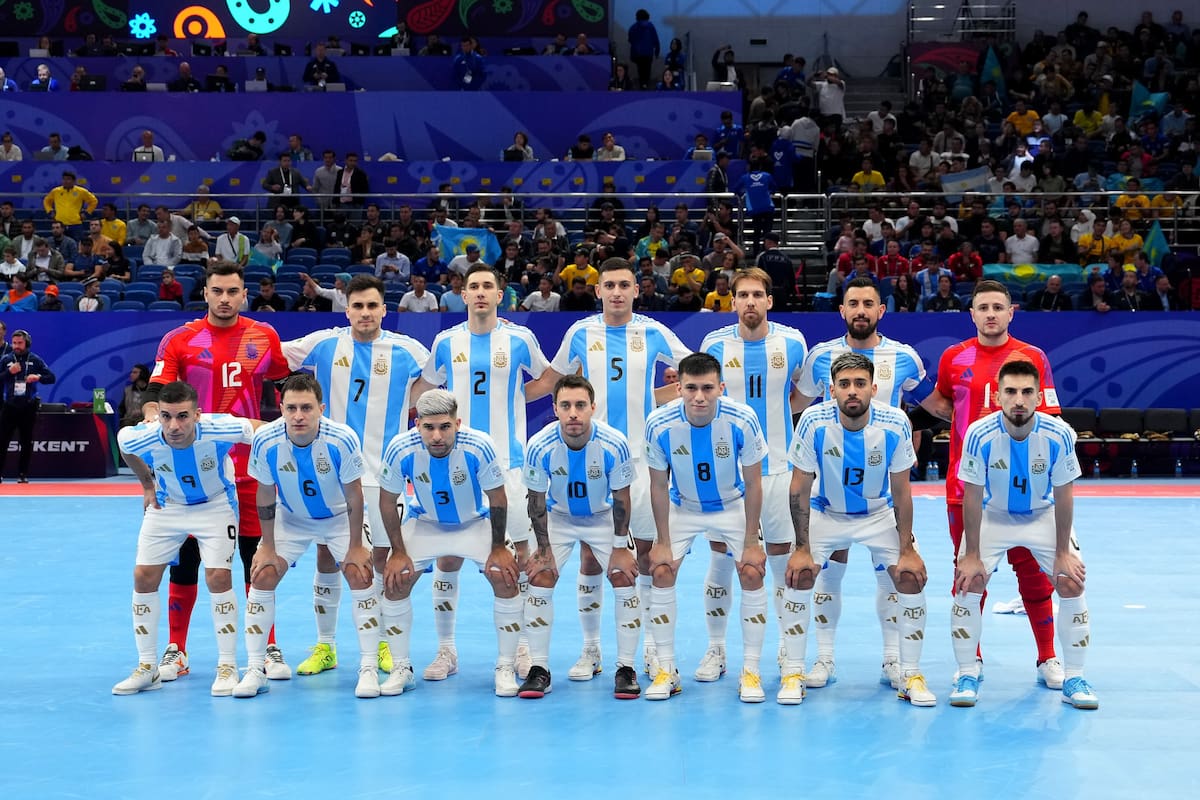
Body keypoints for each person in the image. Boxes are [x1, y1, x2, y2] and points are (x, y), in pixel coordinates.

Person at [140, 262, 292, 685]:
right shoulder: (180, 339)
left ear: (245, 295)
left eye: (233, 291)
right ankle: (177, 649)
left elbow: (286, 388)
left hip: (247, 469)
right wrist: (153, 425)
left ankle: (266, 646)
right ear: (205, 293)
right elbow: (155, 393)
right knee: (185, 559)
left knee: (255, 558)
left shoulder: (264, 336)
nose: (225, 299)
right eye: (217, 291)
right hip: (191, 472)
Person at [542, 258, 690, 678]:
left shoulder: (654, 331)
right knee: (591, 555)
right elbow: (553, 382)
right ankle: (591, 650)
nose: (617, 292)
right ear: (598, 290)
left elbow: (694, 371)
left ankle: (643, 648)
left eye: (625, 285)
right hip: (590, 459)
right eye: (610, 285)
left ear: (637, 290)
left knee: (642, 553)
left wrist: (662, 394)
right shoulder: (579, 333)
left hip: (642, 461)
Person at [281, 275, 434, 677]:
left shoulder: (409, 350)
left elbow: (436, 385)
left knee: (381, 559)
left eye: (372, 306)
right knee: (327, 556)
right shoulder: (324, 343)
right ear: (346, 308)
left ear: (385, 310)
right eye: (357, 306)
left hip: (385, 475)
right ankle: (326, 647)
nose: (365, 313)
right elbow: (269, 354)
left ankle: (383, 642)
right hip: (333, 473)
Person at [419, 264, 551, 682]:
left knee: (519, 556)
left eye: (487, 287)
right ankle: (446, 650)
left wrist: (514, 395)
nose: (479, 293)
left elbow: (547, 380)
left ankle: (523, 647)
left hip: (509, 464)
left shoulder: (520, 338)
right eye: (472, 286)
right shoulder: (445, 342)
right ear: (463, 294)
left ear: (500, 295)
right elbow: (427, 390)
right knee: (448, 554)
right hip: (455, 464)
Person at [929, 280, 1063, 689]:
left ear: (1011, 312)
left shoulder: (1032, 357)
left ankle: (1048, 658)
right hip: (966, 490)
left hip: (1025, 491)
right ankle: (971, 662)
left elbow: (1052, 418)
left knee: (1036, 579)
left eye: (997, 307)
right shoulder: (954, 357)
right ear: (971, 314)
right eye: (982, 307)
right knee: (970, 576)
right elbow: (939, 401)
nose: (990, 314)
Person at [783, 352, 935, 706]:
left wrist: (907, 548)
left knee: (910, 577)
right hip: (827, 512)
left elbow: (901, 491)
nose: (853, 391)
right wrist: (801, 546)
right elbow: (799, 488)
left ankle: (905, 670)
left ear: (873, 388)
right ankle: (800, 668)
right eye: (845, 385)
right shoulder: (812, 421)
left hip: (879, 513)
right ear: (832, 390)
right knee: (800, 573)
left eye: (860, 384)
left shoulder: (895, 422)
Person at [950, 361, 1097, 710]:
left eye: (1027, 392)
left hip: (1042, 514)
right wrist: (971, 554)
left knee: (1071, 581)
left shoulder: (1059, 434)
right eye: (1011, 392)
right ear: (997, 395)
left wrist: (1062, 552)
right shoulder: (978, 433)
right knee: (968, 582)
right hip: (994, 515)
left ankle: (1075, 676)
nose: (1019, 399)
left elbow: (1064, 495)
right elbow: (972, 496)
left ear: (1038, 396)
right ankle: (967, 672)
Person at [233, 375, 380, 699]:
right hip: (292, 518)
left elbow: (355, 497)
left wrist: (356, 546)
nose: (298, 415)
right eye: (291, 408)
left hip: (340, 517)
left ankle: (368, 667)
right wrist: (268, 546)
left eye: (306, 408)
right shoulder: (266, 440)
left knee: (359, 574)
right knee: (262, 575)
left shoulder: (341, 439)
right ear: (281, 409)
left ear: (321, 409)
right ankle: (255, 669)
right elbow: (265, 494)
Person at [698, 268, 808, 684]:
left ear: (769, 301)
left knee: (781, 562)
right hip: (727, 476)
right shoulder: (714, 344)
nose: (749, 302)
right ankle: (716, 650)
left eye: (757, 295)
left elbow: (801, 393)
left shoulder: (793, 342)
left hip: (778, 469)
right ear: (732, 302)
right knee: (722, 559)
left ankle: (784, 645)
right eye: (742, 295)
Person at [375, 389, 523, 697]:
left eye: (445, 427)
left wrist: (498, 547)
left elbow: (497, 498)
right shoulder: (400, 448)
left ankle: (506, 665)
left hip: (474, 523)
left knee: (506, 577)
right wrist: (398, 552)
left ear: (458, 422)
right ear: (418, 426)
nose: (437, 435)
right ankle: (408, 665)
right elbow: (387, 502)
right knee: (394, 582)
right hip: (426, 523)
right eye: (429, 427)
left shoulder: (479, 445)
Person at [112, 381, 255, 696]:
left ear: (197, 415)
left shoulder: (219, 428)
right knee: (143, 576)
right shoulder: (141, 435)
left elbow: (258, 428)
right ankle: (147, 667)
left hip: (215, 505)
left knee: (218, 577)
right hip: (168, 506)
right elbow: (126, 448)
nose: (174, 426)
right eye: (166, 416)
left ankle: (228, 666)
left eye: (182, 417)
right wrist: (147, 485)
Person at [641, 352, 768, 702]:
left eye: (708, 388)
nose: (699, 396)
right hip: (684, 506)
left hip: (731, 506)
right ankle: (666, 669)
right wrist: (663, 540)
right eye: (692, 388)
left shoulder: (742, 419)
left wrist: (751, 540)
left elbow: (755, 484)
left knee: (753, 572)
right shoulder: (659, 423)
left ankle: (752, 670)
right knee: (661, 570)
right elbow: (657, 485)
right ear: (677, 387)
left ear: (721, 388)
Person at [520, 375, 641, 699]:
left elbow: (622, 499)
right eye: (566, 406)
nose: (573, 413)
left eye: (580, 406)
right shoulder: (539, 445)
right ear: (555, 409)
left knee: (623, 576)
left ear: (592, 408)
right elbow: (535, 500)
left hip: (602, 517)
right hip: (558, 516)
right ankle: (539, 668)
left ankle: (626, 667)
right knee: (539, 578)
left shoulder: (614, 443)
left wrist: (619, 548)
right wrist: (543, 548)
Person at [0, 330, 55, 483]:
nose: (16, 346)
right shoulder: (6, 359)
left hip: (28, 406)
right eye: (14, 343)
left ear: (27, 343)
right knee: (2, 441)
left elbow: (51, 377)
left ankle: (23, 474)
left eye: (20, 343)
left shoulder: (35, 359)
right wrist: (8, 372)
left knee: (26, 441)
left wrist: (38, 377)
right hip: (9, 406)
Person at [42, 170, 97, 237]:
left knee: (77, 244)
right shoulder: (56, 191)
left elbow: (94, 201)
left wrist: (87, 213)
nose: (65, 181)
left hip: (75, 223)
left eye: (68, 179)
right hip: (60, 223)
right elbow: (46, 201)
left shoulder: (81, 191)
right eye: (64, 179)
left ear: (73, 181)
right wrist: (50, 211)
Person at [627, 9, 661, 90]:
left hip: (637, 54)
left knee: (640, 70)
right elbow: (655, 39)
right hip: (648, 53)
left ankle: (642, 85)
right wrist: (657, 51)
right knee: (647, 71)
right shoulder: (650, 26)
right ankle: (646, 86)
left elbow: (630, 40)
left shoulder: (633, 27)